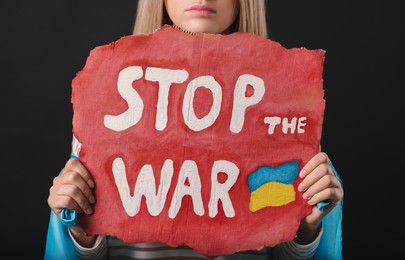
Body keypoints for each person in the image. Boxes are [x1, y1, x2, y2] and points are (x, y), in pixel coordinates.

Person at [45, 0, 344, 259]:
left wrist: (307, 227)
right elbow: (89, 247)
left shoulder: (284, 106)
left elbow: (284, 247)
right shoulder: (112, 98)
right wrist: (78, 227)